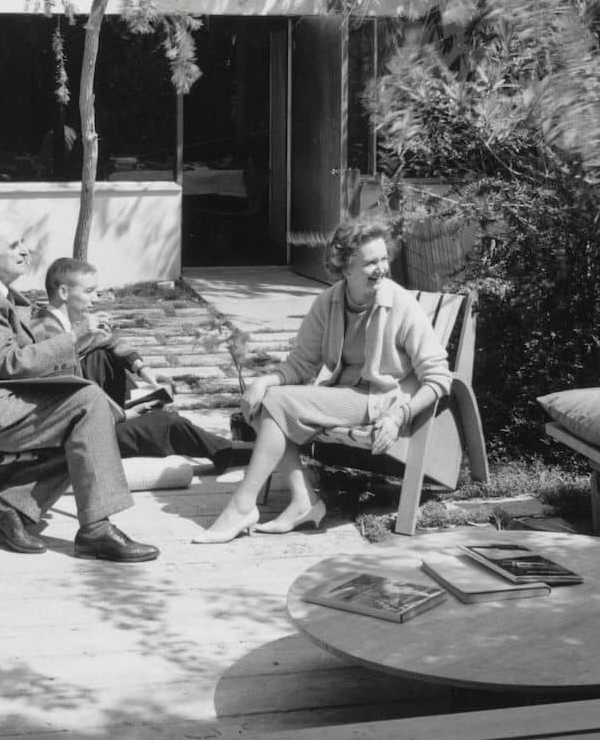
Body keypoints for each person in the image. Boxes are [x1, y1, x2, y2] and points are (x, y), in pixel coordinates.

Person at [192, 216, 451, 543]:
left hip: (377, 401)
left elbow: (439, 376)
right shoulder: (329, 302)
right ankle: (303, 501)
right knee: (265, 403)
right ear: (345, 269)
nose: (382, 268)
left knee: (277, 403)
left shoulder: (399, 303)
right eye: (371, 263)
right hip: (343, 395)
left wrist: (399, 415)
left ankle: (243, 505)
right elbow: (301, 363)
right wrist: (265, 380)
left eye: (384, 259)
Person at [0, 220, 159, 563]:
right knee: (89, 404)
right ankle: (94, 529)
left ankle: (7, 505)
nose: (25, 250)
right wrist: (75, 336)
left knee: (90, 411)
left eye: (23, 243)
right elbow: (9, 362)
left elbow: (28, 347)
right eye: (15, 245)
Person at [35, 258, 249, 473]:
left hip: (96, 416)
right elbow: (72, 394)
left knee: (104, 356)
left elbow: (109, 341)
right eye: (89, 291)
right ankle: (225, 453)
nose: (96, 298)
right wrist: (125, 415)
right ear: (63, 292)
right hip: (78, 436)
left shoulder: (65, 325)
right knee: (167, 423)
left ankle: (148, 412)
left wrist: (141, 368)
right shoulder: (47, 334)